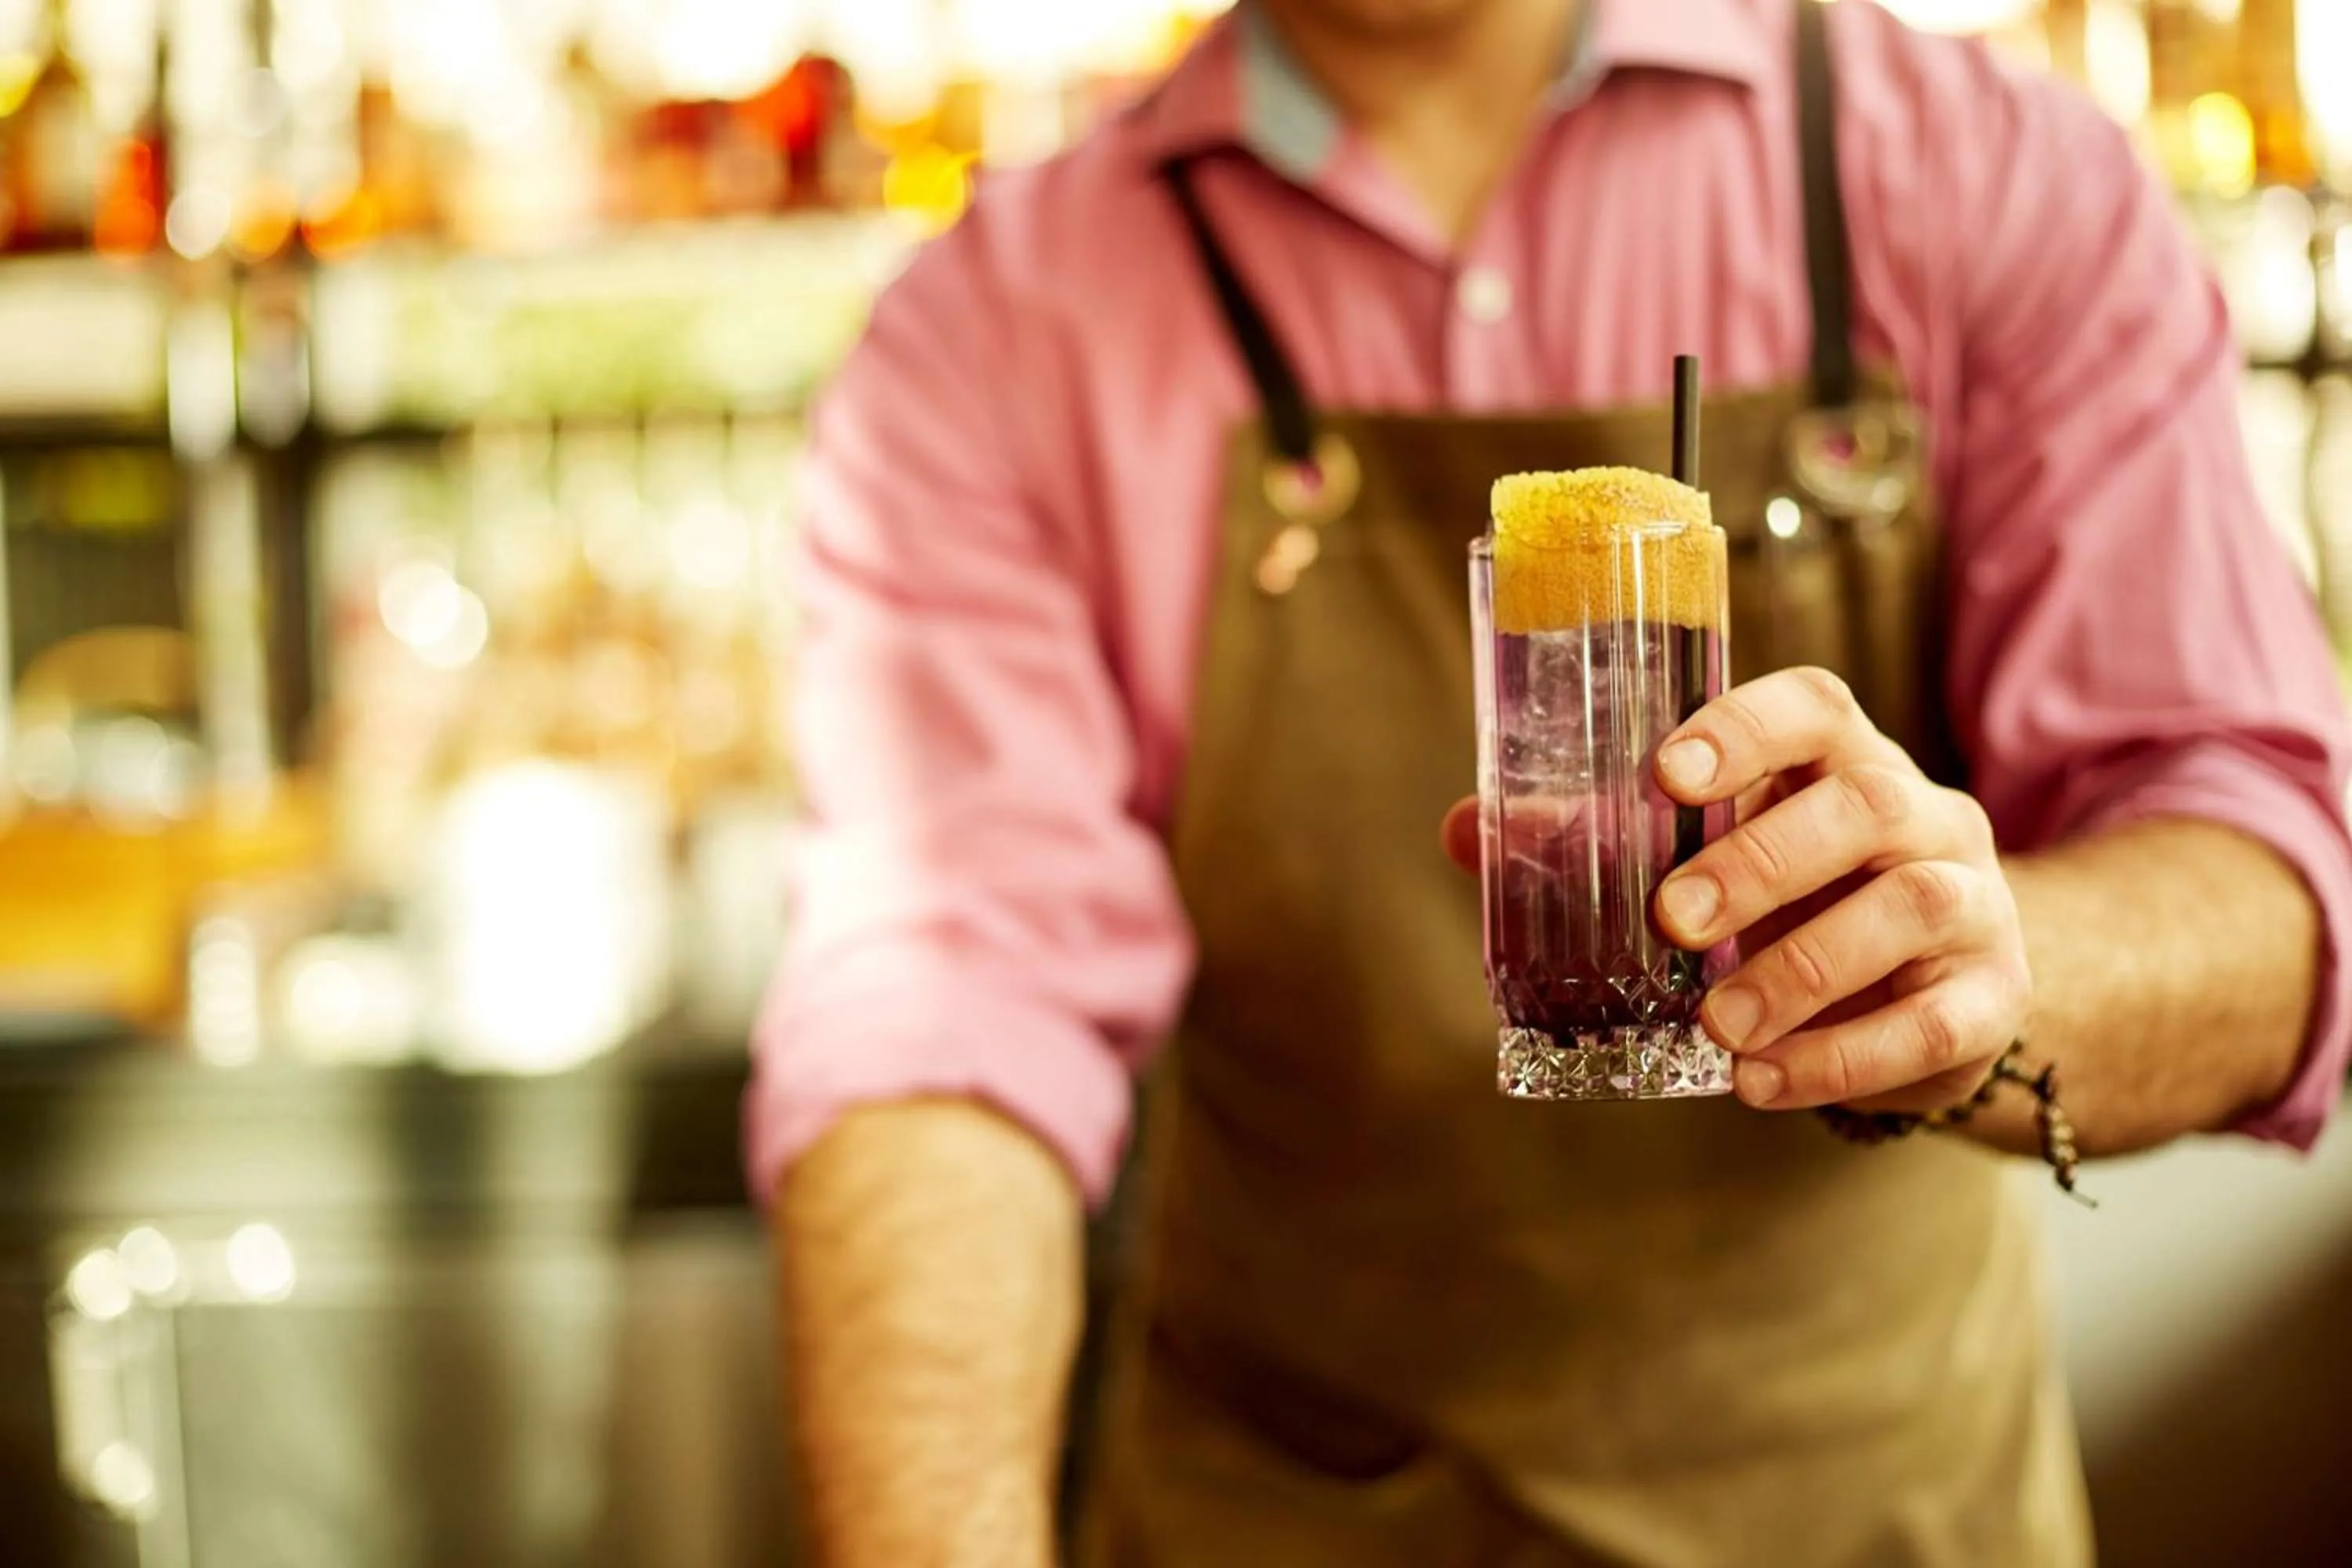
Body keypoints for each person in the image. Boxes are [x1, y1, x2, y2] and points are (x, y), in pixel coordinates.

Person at [747, 0, 2352, 1561]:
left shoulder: (1982, 176)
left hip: (1864, 1510)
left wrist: (1975, 973)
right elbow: (942, 1007)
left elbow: (2276, 885)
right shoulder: (992, 328)